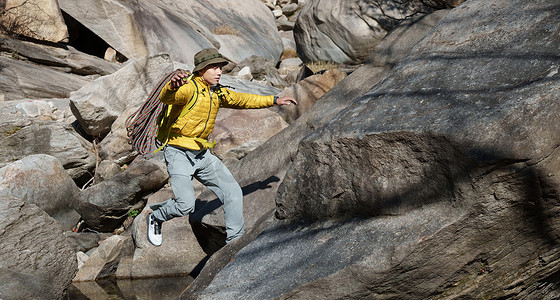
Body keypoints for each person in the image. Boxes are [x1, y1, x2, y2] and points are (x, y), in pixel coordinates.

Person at [147, 48, 297, 246]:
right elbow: (168, 98)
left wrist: (274, 100)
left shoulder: (217, 92)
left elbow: (243, 99)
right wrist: (172, 87)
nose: (219, 72)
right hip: (179, 153)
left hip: (202, 154)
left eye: (220, 68)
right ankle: (157, 216)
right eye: (214, 68)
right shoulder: (188, 88)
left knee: (232, 192)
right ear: (201, 70)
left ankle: (234, 243)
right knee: (185, 206)